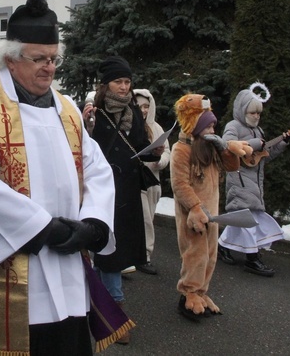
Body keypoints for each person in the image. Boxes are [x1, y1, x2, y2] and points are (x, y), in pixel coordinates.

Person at [0, 0, 117, 355]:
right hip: (7, 264)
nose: (49, 68)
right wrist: (41, 228)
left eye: (53, 59)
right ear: (10, 58)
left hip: (65, 262)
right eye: (39, 59)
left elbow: (97, 168)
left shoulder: (66, 109)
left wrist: (93, 224)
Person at [81, 56, 161, 344]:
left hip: (126, 189)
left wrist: (153, 151)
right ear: (107, 84)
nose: (125, 87)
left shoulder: (133, 112)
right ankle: (114, 310)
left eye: (127, 82)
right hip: (102, 189)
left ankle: (101, 305)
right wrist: (86, 123)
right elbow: (83, 147)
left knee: (114, 250)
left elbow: (138, 145)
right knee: (107, 248)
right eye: (119, 81)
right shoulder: (94, 112)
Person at [169, 93, 251, 321]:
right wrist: (195, 208)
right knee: (194, 255)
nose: (213, 130)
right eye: (208, 126)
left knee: (210, 256)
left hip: (212, 215)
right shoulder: (181, 149)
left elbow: (231, 166)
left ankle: (201, 293)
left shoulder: (209, 146)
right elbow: (179, 184)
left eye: (214, 125)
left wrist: (225, 148)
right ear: (194, 124)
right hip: (193, 215)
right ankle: (188, 295)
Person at [218, 85, 290, 277]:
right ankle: (253, 259)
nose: (257, 116)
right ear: (243, 110)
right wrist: (254, 144)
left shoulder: (258, 130)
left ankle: (222, 246)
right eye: (253, 112)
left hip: (255, 184)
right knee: (248, 221)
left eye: (259, 113)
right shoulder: (233, 126)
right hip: (239, 181)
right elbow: (227, 147)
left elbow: (263, 155)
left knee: (240, 221)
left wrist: (282, 143)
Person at [133, 88, 171, 275]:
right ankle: (142, 257)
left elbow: (166, 151)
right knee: (143, 219)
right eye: (140, 106)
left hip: (153, 180)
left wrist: (159, 160)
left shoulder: (157, 128)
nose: (144, 110)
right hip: (136, 180)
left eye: (147, 106)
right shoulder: (131, 125)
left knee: (150, 217)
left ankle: (144, 254)